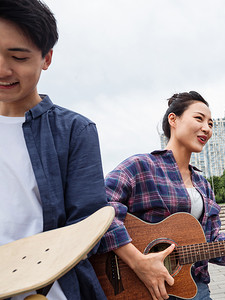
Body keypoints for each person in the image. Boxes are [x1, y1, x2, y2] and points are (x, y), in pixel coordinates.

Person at [99, 91, 225, 300]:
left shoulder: (202, 185)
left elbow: (212, 243)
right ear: (173, 119)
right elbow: (99, 209)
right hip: (142, 289)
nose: (207, 128)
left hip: (193, 289)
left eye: (211, 124)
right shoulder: (141, 166)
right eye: (199, 119)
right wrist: (137, 262)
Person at [0, 0, 108, 299]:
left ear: (46, 58)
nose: (3, 69)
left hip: (49, 290)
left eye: (18, 56)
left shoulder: (75, 131)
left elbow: (87, 225)